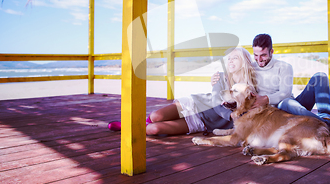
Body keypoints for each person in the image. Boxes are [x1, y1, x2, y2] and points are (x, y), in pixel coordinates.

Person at [248, 33, 330, 146]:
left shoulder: (284, 67)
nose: (259, 59)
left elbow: (285, 93)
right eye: (256, 55)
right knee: (287, 103)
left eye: (263, 55)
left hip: (288, 106)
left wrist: (266, 99)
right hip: (272, 114)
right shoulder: (250, 68)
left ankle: (325, 119)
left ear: (271, 51)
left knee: (320, 77)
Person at [108, 47, 257, 136]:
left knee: (154, 129)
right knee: (155, 116)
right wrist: (231, 115)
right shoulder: (220, 76)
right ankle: (128, 124)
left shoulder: (250, 88)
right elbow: (215, 101)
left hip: (203, 122)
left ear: (244, 61)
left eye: (235, 58)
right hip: (196, 105)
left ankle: (135, 128)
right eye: (229, 58)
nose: (230, 61)